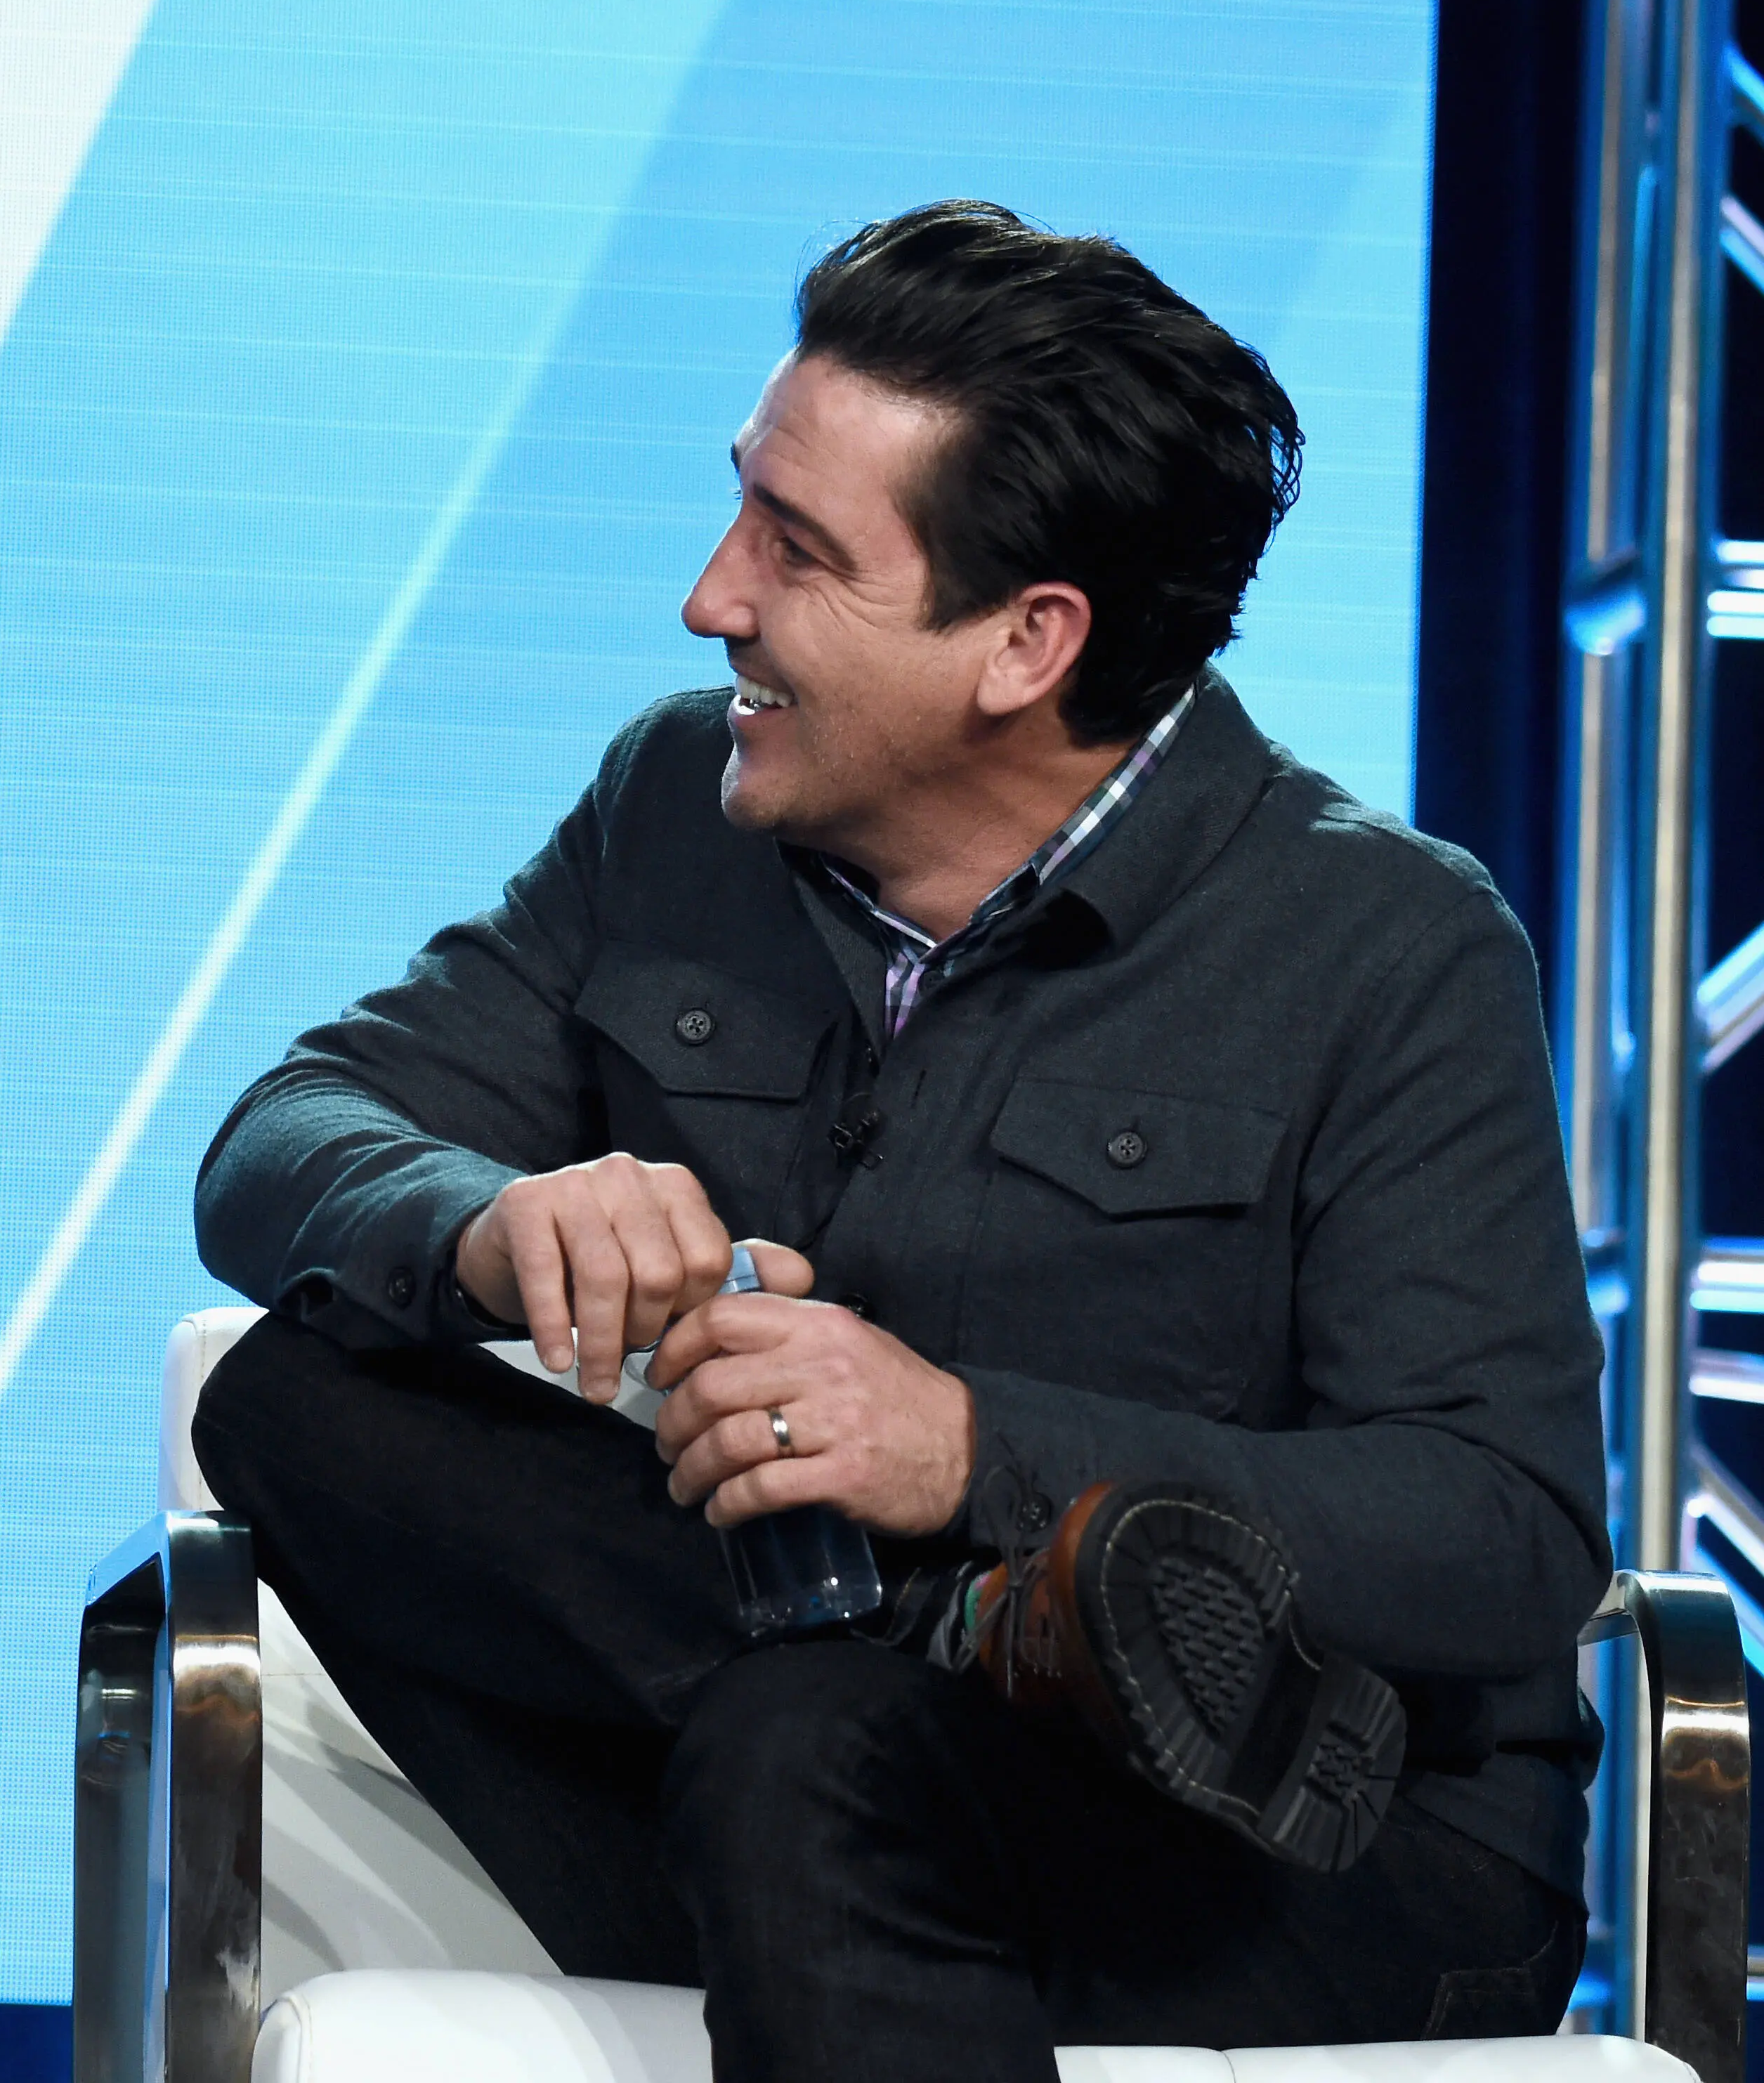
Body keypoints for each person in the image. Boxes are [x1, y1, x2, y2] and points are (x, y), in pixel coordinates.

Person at [190, 201, 1607, 2077]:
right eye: (738, 511)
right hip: (824, 1716)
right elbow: (282, 1141)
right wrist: (493, 1218)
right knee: (300, 1397)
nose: (715, 598)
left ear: (1026, 642)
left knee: (807, 1750)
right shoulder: (667, 815)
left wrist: (967, 1452)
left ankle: (937, 1676)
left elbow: (1503, 1533)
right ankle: (954, 1657)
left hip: (1313, 1863)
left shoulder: (1390, 949)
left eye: (797, 550)